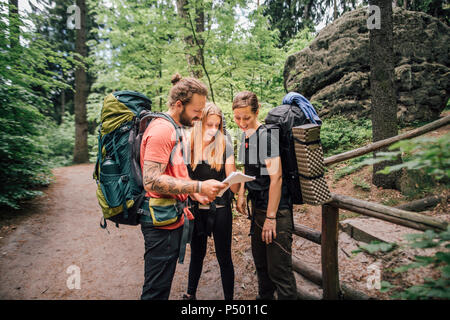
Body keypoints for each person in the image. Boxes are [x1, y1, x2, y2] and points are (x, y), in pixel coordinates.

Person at [139, 73, 227, 300]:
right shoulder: (162, 130)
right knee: (156, 291)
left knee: (162, 287)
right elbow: (151, 180)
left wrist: (195, 193)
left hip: (171, 217)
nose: (200, 116)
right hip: (160, 223)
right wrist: (198, 187)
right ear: (179, 105)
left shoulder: (176, 129)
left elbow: (172, 175)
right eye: (197, 111)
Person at [233, 91, 297, 300]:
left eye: (246, 117)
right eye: (237, 117)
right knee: (261, 268)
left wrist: (271, 218)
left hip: (276, 212)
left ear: (257, 111)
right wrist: (242, 193)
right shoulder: (247, 136)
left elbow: (276, 178)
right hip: (258, 211)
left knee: (280, 273)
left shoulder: (266, 137)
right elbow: (247, 169)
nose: (241, 122)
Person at [183, 102, 239, 301]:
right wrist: (195, 193)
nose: (214, 130)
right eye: (210, 125)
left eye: (217, 125)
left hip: (221, 208)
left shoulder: (225, 142)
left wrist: (236, 179)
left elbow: (231, 180)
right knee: (197, 253)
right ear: (201, 124)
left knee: (224, 256)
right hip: (197, 208)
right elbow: (184, 177)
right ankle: (190, 294)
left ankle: (229, 299)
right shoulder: (189, 142)